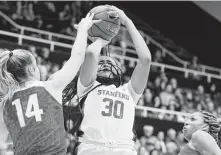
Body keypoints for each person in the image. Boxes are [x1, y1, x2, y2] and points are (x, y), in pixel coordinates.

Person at [0, 13, 99, 155]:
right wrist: (83, 29)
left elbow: (3, 142)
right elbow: (77, 57)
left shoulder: (5, 104)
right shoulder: (50, 86)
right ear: (30, 69)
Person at [74, 5, 151, 155]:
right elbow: (90, 53)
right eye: (101, 63)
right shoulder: (88, 86)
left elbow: (146, 59)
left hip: (124, 149)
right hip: (92, 148)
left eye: (110, 62)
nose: (105, 64)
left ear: (120, 72)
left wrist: (127, 21)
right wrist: (102, 41)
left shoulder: (130, 91)